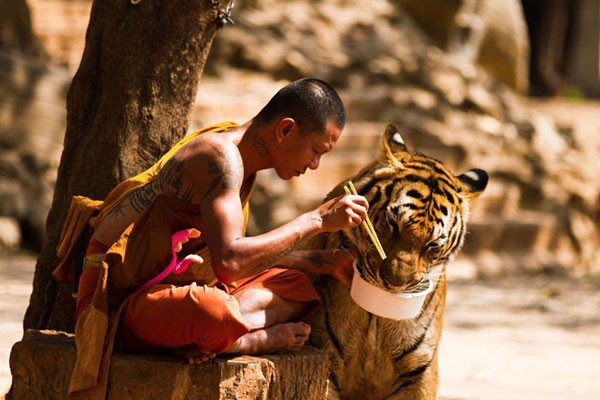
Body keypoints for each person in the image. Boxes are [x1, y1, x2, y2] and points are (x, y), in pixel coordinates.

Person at [56, 78, 368, 398]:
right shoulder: (219, 159)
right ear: (285, 129)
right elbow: (231, 263)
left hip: (180, 284)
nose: (315, 165)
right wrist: (316, 220)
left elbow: (227, 252)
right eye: (316, 151)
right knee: (211, 311)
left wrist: (325, 263)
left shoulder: (244, 161)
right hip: (121, 300)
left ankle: (203, 335)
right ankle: (241, 340)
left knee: (296, 286)